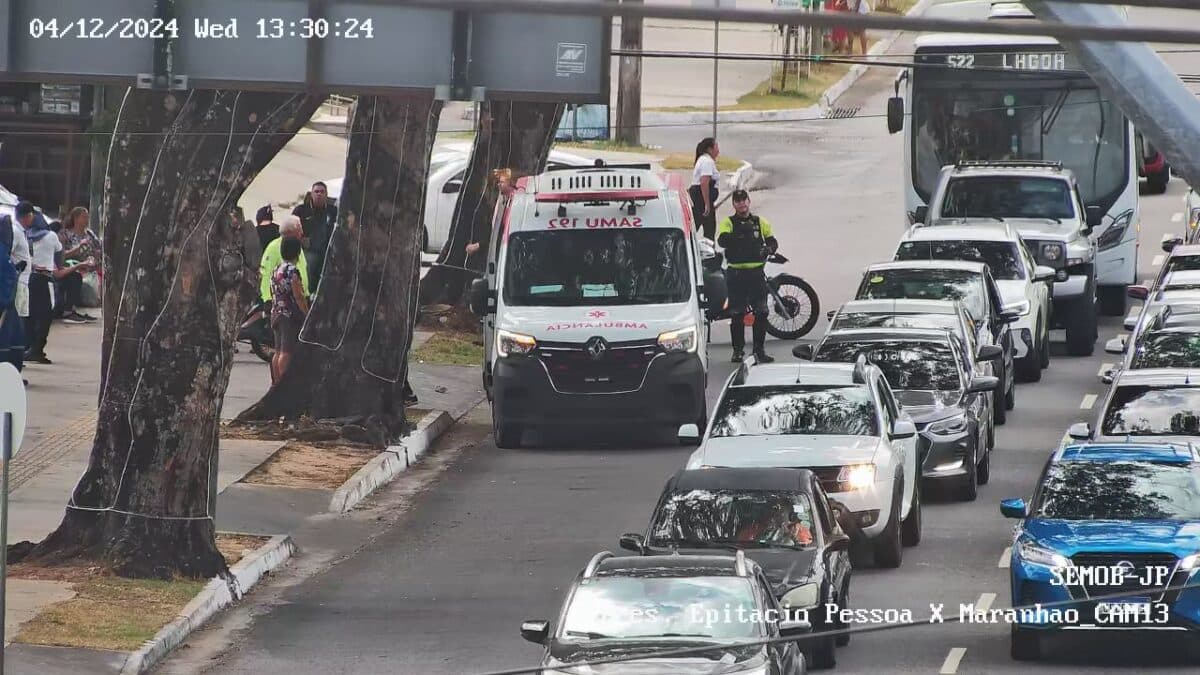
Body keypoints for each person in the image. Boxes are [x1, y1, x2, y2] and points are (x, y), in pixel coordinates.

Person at [717, 190, 778, 363]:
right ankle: (737, 351)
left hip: (756, 274)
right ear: (733, 204)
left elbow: (772, 241)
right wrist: (739, 234)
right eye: (737, 201)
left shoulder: (760, 222)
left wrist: (769, 249)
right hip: (736, 274)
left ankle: (759, 351)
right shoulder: (728, 222)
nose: (741, 203)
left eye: (744, 200)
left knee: (762, 312)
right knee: (737, 313)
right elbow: (722, 240)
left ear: (749, 202)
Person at [270, 237, 309, 383]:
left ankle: (276, 382)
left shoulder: (276, 269)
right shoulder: (292, 271)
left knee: (277, 351)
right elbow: (298, 295)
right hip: (289, 316)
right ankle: (284, 383)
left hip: (276, 312)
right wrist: (306, 312)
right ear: (297, 252)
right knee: (286, 353)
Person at [292, 181, 337, 295]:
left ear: (326, 194)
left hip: (327, 252)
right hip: (308, 252)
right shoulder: (301, 210)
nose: (319, 194)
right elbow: (290, 228)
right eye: (316, 191)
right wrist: (301, 239)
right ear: (311, 194)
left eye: (322, 192)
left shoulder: (333, 211)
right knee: (308, 278)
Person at [56, 207, 99, 323]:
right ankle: (68, 311)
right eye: (84, 217)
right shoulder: (65, 234)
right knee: (74, 278)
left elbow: (98, 249)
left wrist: (94, 258)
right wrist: (78, 249)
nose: (86, 220)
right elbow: (61, 255)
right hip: (69, 267)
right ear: (75, 218)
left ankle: (72, 309)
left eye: (87, 217)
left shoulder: (90, 234)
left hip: (87, 268)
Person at [260, 215, 309, 305]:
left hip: (301, 298)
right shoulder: (273, 248)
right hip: (286, 303)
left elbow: (303, 269)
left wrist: (306, 294)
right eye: (299, 229)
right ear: (290, 232)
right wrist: (268, 300)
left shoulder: (298, 246)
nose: (302, 232)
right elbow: (266, 275)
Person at [0, 215, 25, 380]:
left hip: (7, 305)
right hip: (4, 306)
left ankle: (10, 377)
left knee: (14, 340)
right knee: (7, 342)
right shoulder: (2, 254)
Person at [689, 138, 721, 240]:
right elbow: (704, 182)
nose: (718, 150)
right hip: (701, 199)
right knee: (707, 230)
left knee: (704, 228)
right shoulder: (707, 161)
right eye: (716, 147)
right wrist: (707, 204)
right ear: (710, 149)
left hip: (701, 198)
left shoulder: (705, 160)